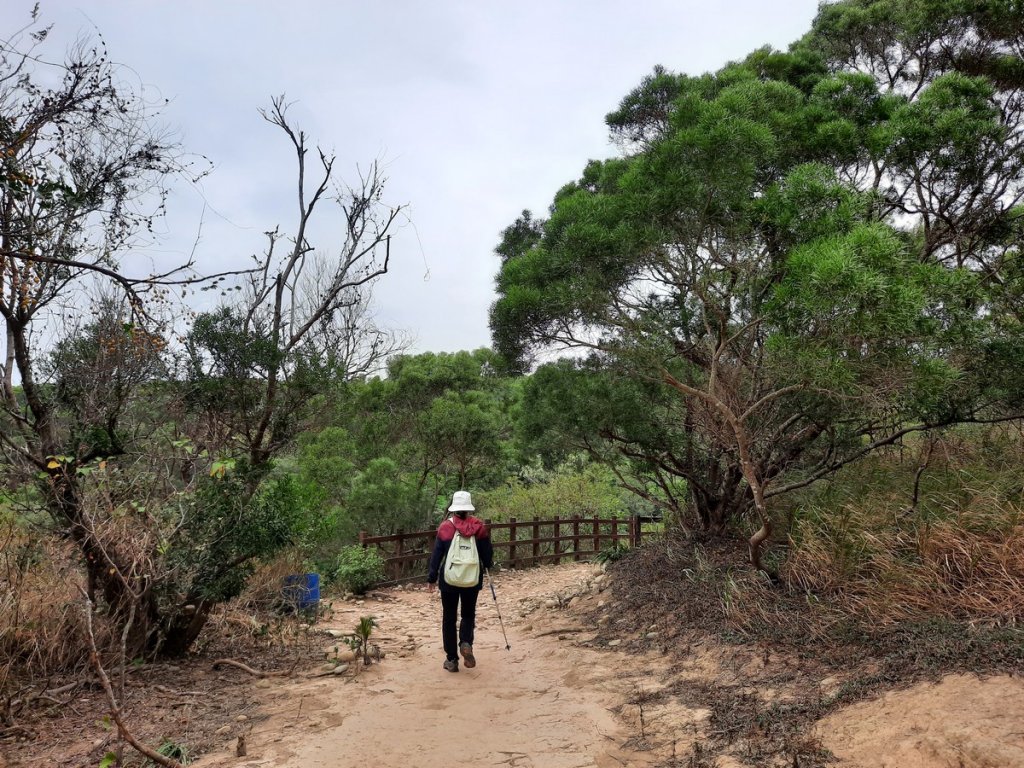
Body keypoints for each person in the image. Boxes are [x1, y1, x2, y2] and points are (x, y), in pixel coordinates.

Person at [427, 490, 493, 672]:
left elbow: (437, 556)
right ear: (468, 508)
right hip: (472, 579)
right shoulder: (479, 528)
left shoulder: (445, 528)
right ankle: (465, 642)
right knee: (468, 614)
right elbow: (487, 554)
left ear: (454, 509)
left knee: (449, 618)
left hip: (449, 580)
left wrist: (431, 578)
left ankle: (452, 659)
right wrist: (488, 565)